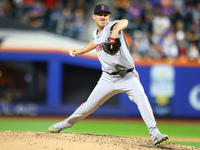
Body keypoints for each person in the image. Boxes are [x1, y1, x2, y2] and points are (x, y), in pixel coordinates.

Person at [49, 4, 169, 145]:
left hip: (128, 76)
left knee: (141, 98)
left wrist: (115, 32)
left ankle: (155, 133)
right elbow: (96, 41)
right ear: (94, 17)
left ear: (109, 17)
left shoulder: (112, 26)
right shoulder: (96, 33)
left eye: (105, 14)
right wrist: (81, 51)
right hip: (107, 78)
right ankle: (65, 123)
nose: (103, 17)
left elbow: (124, 22)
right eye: (100, 14)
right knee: (88, 107)